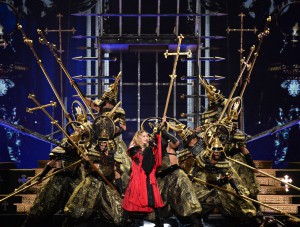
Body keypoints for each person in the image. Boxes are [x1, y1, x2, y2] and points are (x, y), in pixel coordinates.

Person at [84, 72, 130, 193]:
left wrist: (114, 130)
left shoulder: (119, 110)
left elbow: (123, 127)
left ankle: (119, 190)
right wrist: (77, 89)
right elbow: (89, 103)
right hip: (98, 139)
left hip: (113, 140)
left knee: (117, 166)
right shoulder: (101, 107)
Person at [63, 134, 123, 226]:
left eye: (105, 143)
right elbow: (92, 168)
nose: (103, 144)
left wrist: (120, 190)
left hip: (107, 184)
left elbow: (117, 174)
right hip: (93, 182)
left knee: (113, 210)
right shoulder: (93, 154)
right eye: (101, 143)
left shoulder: (114, 157)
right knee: (83, 206)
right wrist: (87, 161)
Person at [155, 117, 203, 227]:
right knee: (161, 202)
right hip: (161, 179)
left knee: (185, 195)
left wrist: (164, 131)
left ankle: (195, 220)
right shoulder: (153, 148)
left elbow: (175, 142)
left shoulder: (169, 146)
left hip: (176, 175)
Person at [122, 129, 164, 227]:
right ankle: (124, 223)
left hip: (149, 177)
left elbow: (155, 160)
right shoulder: (134, 148)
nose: (146, 138)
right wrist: (149, 149)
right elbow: (140, 160)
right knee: (131, 203)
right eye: (144, 136)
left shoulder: (149, 148)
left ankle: (160, 223)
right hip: (138, 178)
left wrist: (157, 137)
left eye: (147, 136)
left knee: (156, 202)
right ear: (139, 137)